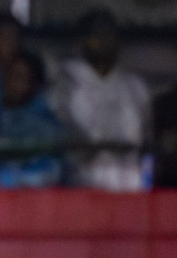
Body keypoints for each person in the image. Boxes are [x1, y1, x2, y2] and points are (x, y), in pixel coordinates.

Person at [54, 10, 151, 192]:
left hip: (131, 190)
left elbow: (146, 143)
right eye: (96, 35)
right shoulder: (65, 85)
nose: (103, 41)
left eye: (109, 34)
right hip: (83, 189)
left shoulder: (135, 87)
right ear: (82, 41)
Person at [0, 51, 64, 188]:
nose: (12, 83)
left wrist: (4, 181)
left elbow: (51, 171)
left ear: (34, 85)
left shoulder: (46, 123)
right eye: (9, 75)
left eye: (20, 77)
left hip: (31, 199)